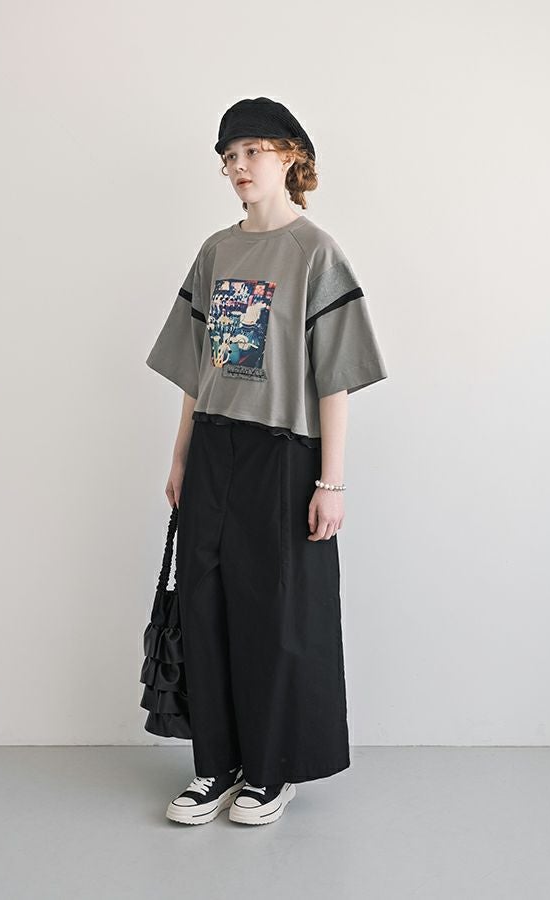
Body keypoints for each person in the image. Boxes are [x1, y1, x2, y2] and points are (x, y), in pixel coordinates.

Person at [144, 97, 388, 826]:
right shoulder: (216, 252)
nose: (238, 166)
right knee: (206, 604)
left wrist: (331, 481)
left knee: (275, 610)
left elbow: (334, 378)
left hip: (284, 452)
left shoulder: (315, 252)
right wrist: (181, 456)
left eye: (252, 150)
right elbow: (198, 370)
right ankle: (215, 765)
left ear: (290, 157)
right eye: (229, 156)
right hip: (214, 447)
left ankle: (270, 770)